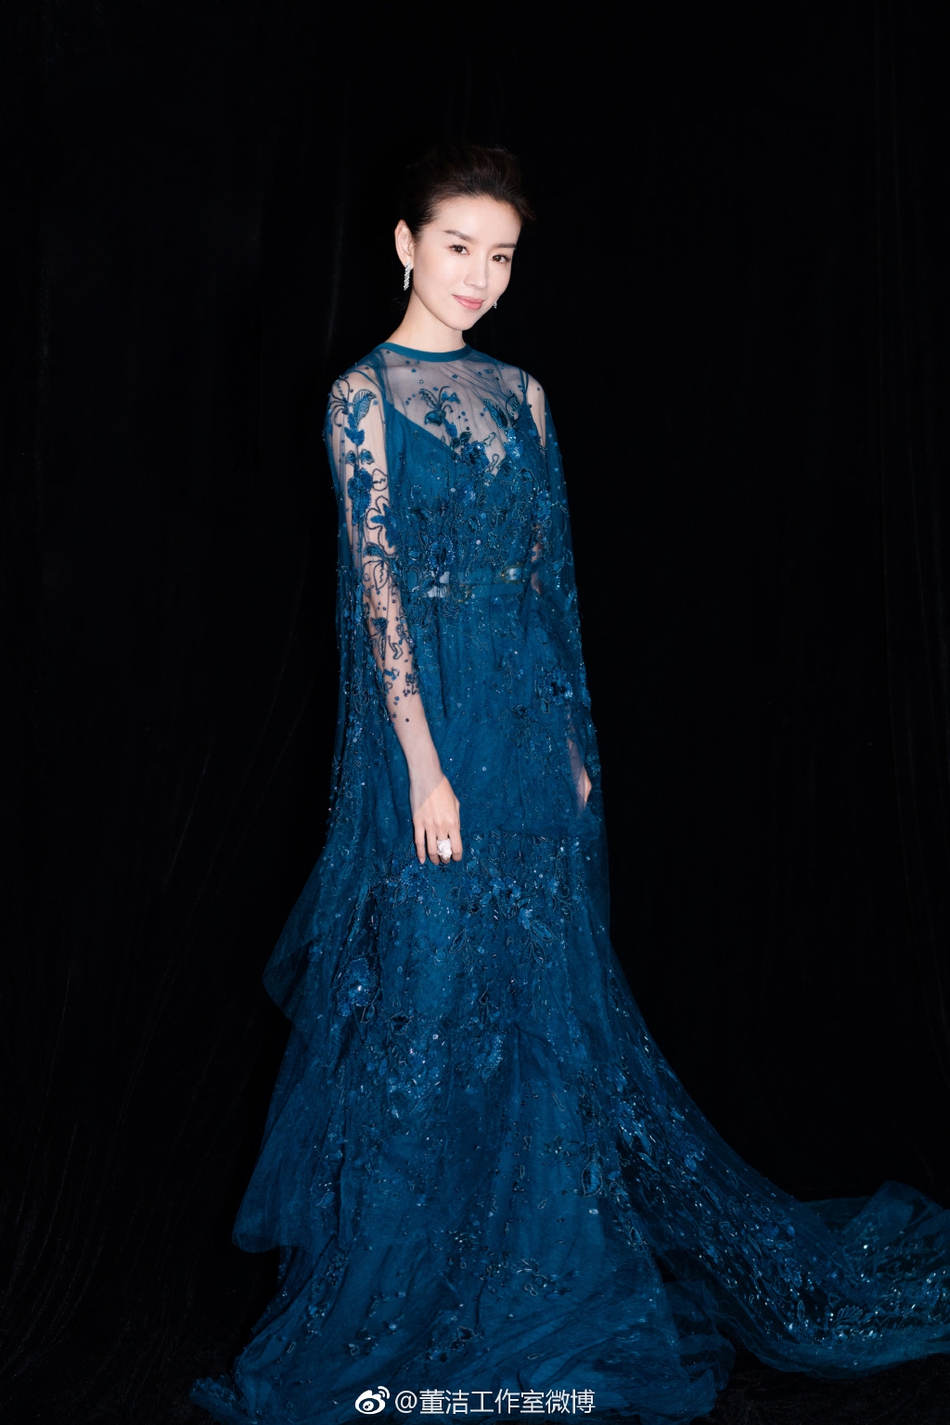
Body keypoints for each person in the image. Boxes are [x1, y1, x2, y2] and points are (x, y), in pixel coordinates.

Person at [192, 145, 950, 1425]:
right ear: (403, 244)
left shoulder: (523, 395)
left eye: (500, 257)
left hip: (525, 745)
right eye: (457, 248)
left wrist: (568, 745)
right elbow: (375, 596)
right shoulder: (360, 397)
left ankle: (540, 1276)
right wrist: (422, 770)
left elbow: (549, 583)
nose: (480, 277)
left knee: (542, 1011)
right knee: (427, 1008)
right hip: (429, 746)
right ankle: (400, 1296)